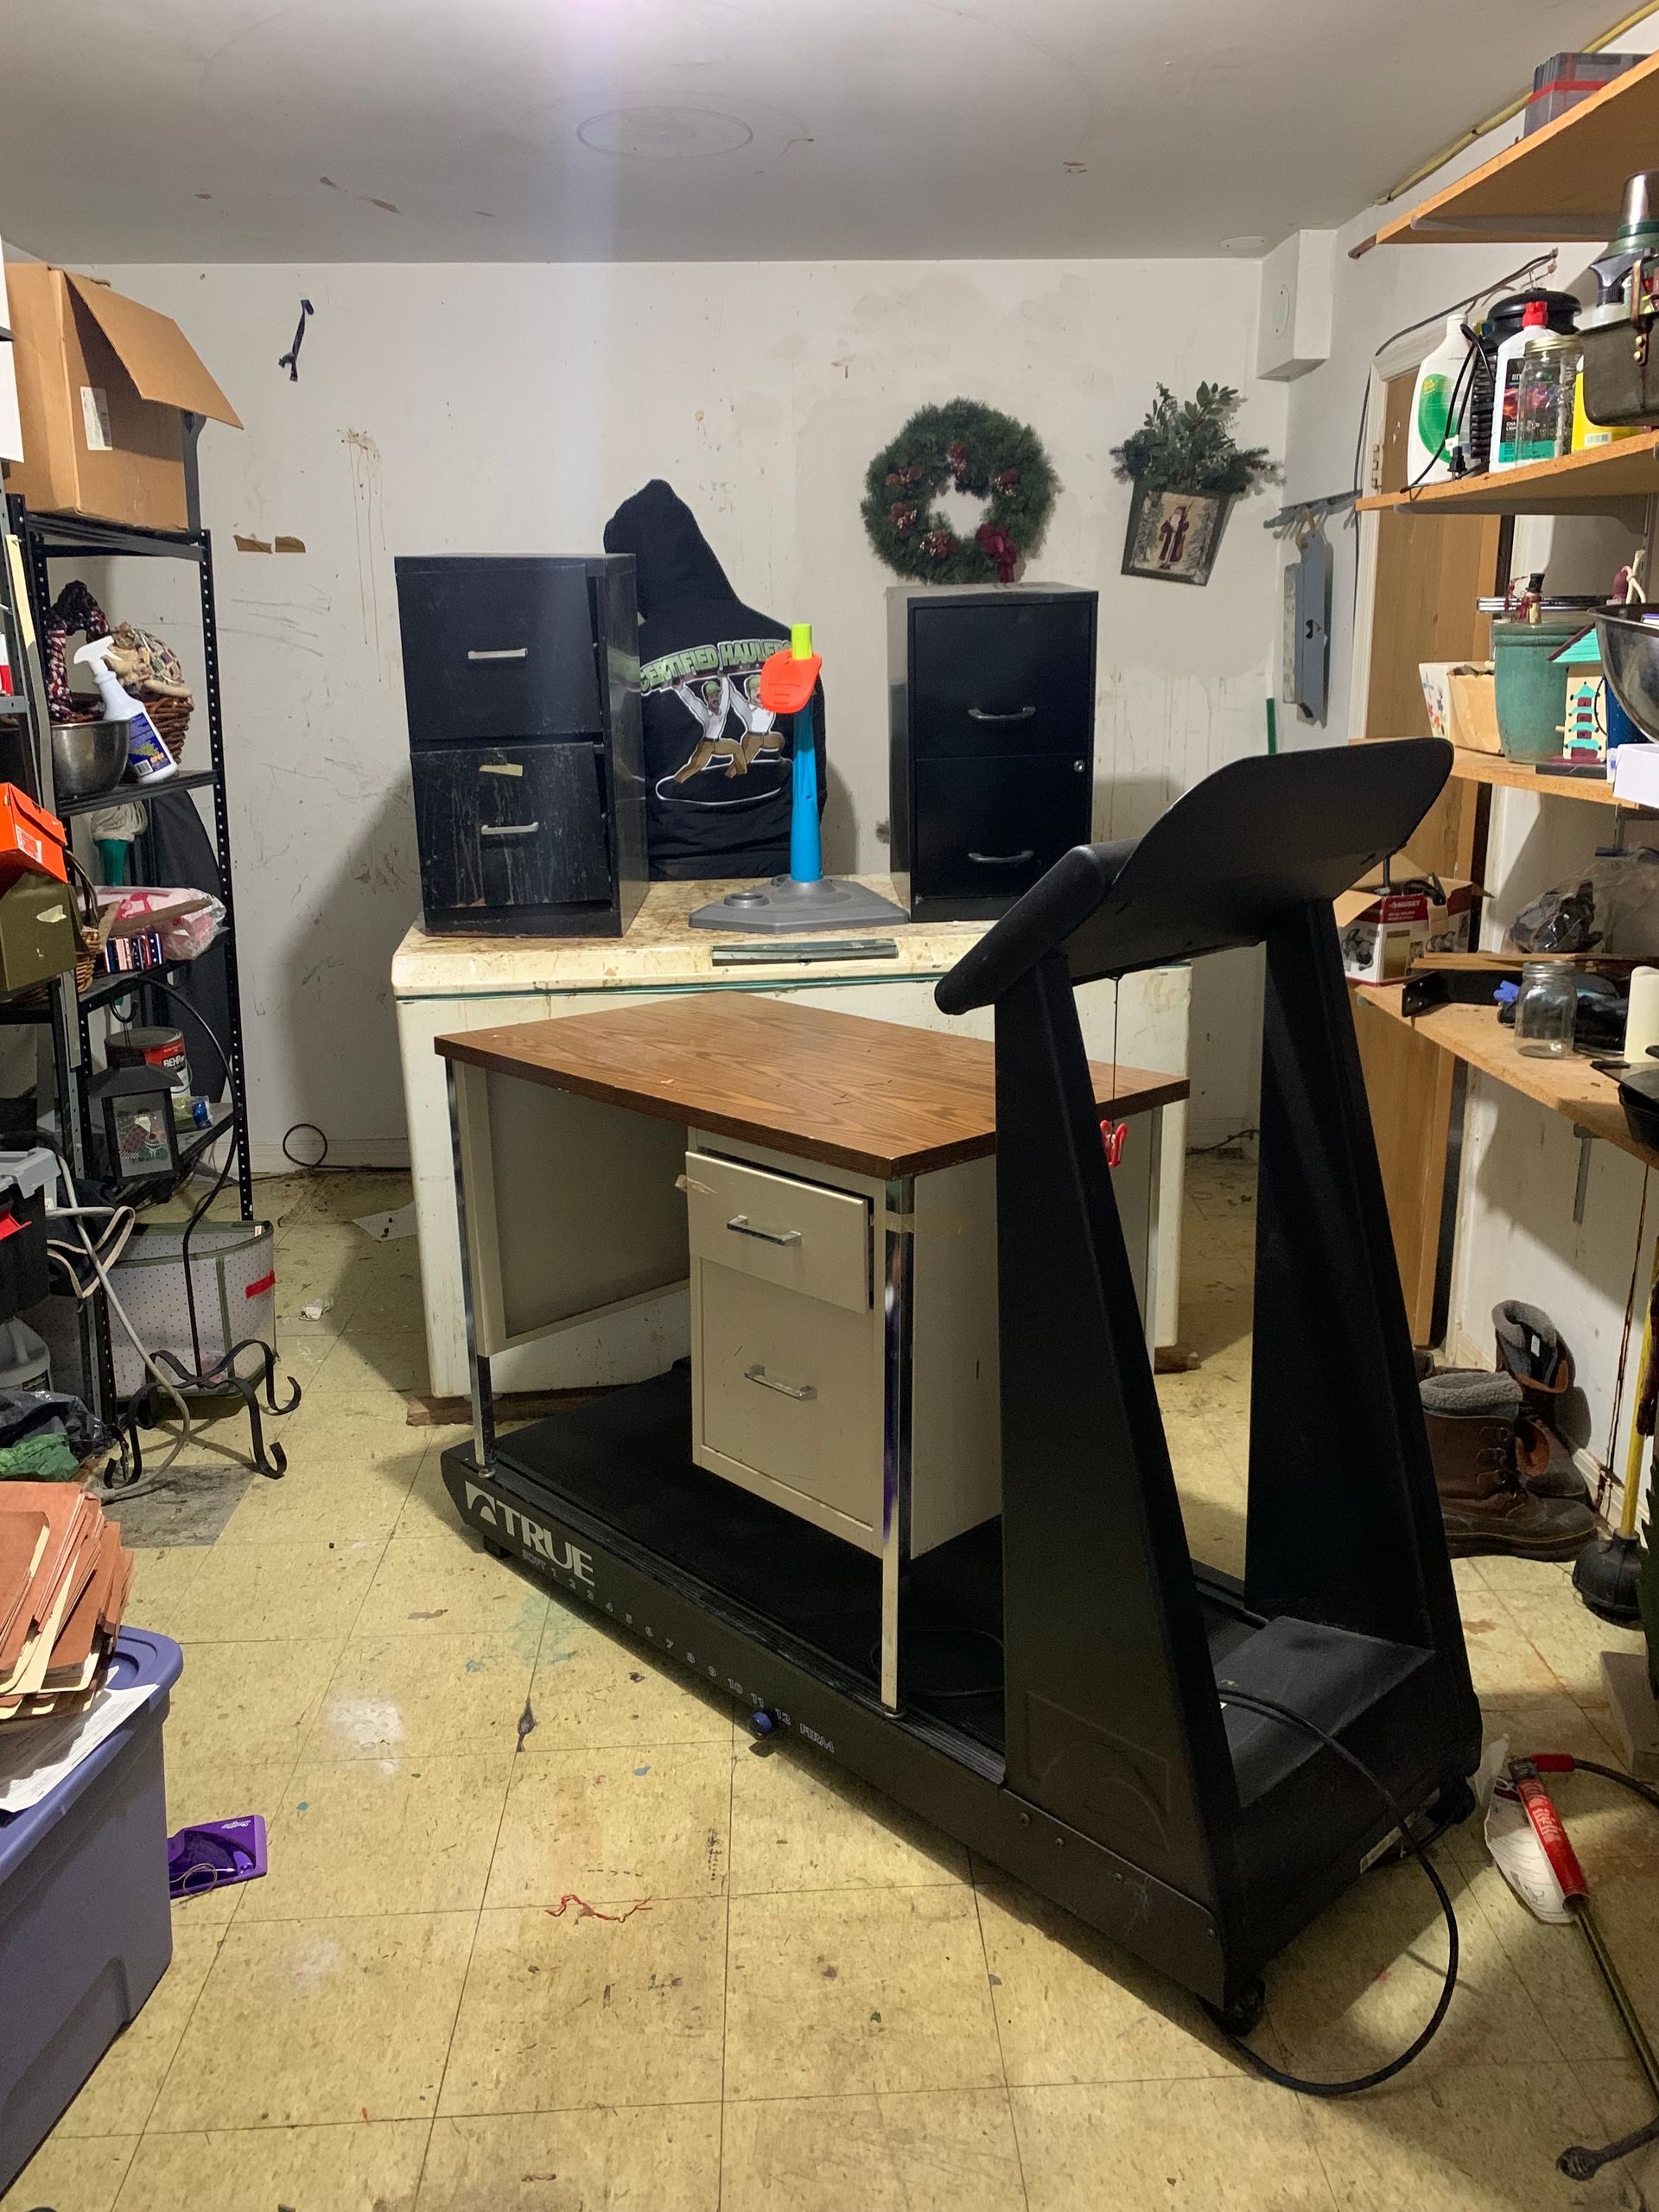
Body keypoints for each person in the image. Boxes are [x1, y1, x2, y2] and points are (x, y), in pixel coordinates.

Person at [603, 480, 826, 880]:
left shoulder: (628, 657)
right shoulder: (786, 645)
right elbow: (814, 780)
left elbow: (616, 795)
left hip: (673, 875)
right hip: (784, 869)